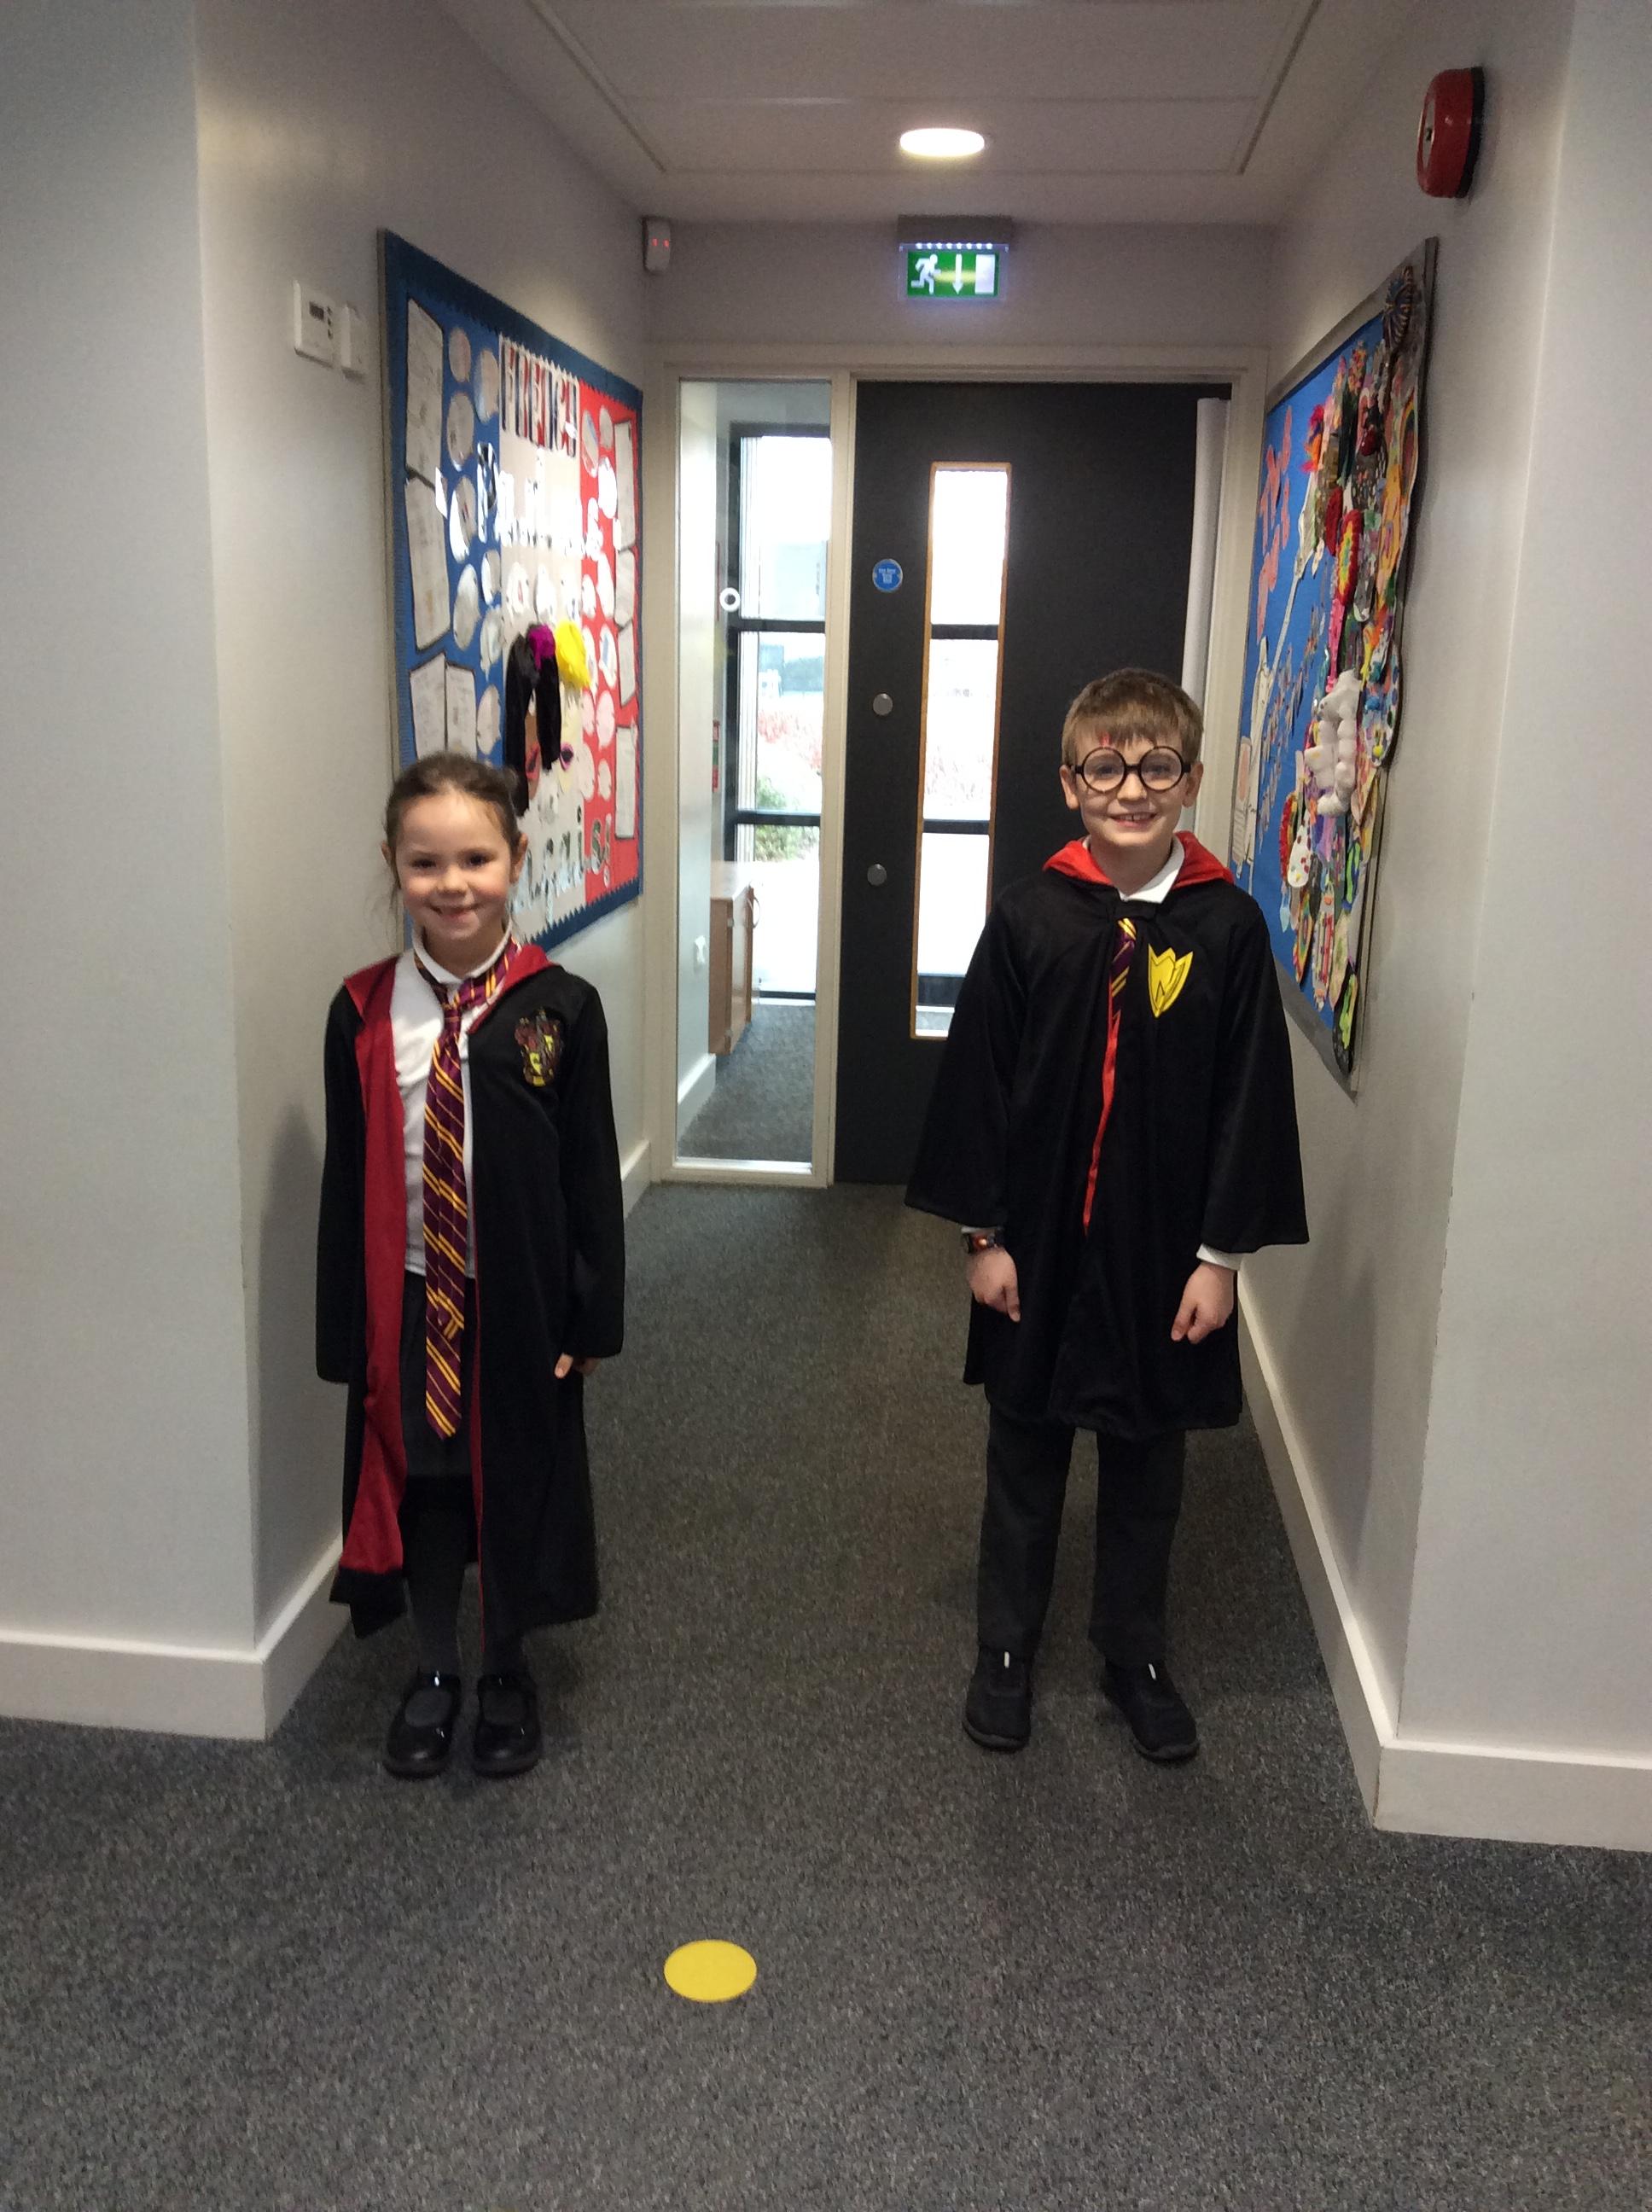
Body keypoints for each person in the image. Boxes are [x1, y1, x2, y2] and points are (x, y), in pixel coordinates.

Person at [906, 670, 1306, 1763]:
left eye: (1156, 767)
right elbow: (980, 1086)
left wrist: (1219, 1259)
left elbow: (1248, 1101)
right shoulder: (1029, 919)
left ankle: (1133, 1654)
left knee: (1147, 1462)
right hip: (1039, 1241)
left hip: (1161, 1252)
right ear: (1070, 783)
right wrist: (982, 1236)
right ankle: (1005, 1648)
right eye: (1106, 767)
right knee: (1023, 1453)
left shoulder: (1227, 929)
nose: (1131, 788)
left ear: (1191, 779)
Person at [317, 752, 624, 1780]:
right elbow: (345, 1181)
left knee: (516, 1477)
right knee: (426, 1484)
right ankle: (437, 1664)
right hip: (407, 1294)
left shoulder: (559, 1010)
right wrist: (343, 1332)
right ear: (393, 866)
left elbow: (589, 1176)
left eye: (476, 860)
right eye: (425, 863)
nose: (452, 884)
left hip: (516, 1300)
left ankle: (505, 1669)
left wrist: (590, 1317)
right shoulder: (363, 1012)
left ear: (516, 859)